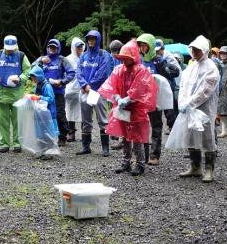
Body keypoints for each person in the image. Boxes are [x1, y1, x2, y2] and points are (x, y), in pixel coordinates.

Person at [99, 40, 157, 176]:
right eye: (123, 58)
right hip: (123, 107)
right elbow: (112, 84)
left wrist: (129, 98)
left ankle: (140, 164)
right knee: (125, 136)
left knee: (137, 137)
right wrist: (118, 98)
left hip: (136, 108)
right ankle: (126, 162)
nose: (124, 61)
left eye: (127, 58)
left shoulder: (141, 70)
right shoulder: (119, 69)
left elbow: (140, 89)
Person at [177, 35, 219, 182]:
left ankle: (209, 169)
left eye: (197, 49)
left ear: (205, 50)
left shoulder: (211, 67)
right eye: (193, 49)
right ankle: (195, 167)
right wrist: (182, 102)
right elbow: (183, 85)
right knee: (190, 134)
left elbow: (206, 90)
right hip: (189, 108)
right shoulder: (191, 66)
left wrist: (190, 102)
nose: (194, 52)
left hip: (205, 107)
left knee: (207, 136)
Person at [136, 33, 178, 166]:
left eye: (145, 45)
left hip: (155, 98)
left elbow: (169, 76)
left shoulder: (159, 61)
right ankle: (141, 155)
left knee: (156, 126)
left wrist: (171, 70)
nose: (142, 48)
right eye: (141, 45)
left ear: (151, 46)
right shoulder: (139, 60)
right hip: (141, 98)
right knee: (140, 126)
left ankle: (154, 154)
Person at [0, 35, 31, 153]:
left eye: (12, 48)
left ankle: (17, 143)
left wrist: (20, 78)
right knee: (3, 120)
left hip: (16, 93)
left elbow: (27, 70)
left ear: (16, 45)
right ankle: (5, 143)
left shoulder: (21, 56)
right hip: (1, 92)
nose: (10, 50)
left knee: (17, 120)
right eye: (8, 48)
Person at [32, 39, 75, 146]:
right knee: (43, 114)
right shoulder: (42, 59)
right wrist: (41, 60)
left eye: (54, 47)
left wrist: (62, 82)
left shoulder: (62, 60)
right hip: (42, 92)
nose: (52, 49)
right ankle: (45, 137)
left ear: (58, 48)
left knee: (59, 114)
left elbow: (71, 73)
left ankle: (62, 137)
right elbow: (32, 68)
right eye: (50, 47)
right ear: (47, 48)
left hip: (58, 91)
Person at [76, 30, 113, 156]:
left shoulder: (104, 55)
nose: (91, 41)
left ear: (98, 40)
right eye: (89, 39)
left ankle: (105, 148)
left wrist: (89, 85)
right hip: (85, 90)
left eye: (93, 39)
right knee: (86, 119)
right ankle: (86, 146)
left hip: (97, 91)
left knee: (102, 119)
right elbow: (79, 72)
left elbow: (103, 73)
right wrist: (84, 85)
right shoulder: (84, 56)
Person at [28, 66, 59, 160]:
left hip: (49, 115)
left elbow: (51, 99)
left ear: (39, 76)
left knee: (49, 134)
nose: (33, 79)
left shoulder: (47, 86)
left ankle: (50, 153)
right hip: (40, 114)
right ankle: (43, 151)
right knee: (40, 133)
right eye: (32, 77)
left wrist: (39, 98)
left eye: (34, 77)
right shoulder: (37, 85)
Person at [155, 39, 181, 130]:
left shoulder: (168, 56)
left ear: (163, 48)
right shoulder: (154, 58)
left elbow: (177, 72)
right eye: (156, 51)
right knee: (159, 111)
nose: (158, 52)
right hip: (159, 87)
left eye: (159, 50)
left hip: (170, 86)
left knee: (171, 110)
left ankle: (174, 128)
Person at [64, 38, 85, 142]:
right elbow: (64, 74)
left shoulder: (86, 58)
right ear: (73, 47)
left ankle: (85, 133)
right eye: (78, 46)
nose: (80, 48)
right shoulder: (67, 59)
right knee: (70, 111)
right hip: (71, 89)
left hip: (83, 88)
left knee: (84, 110)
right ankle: (71, 133)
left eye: (81, 46)